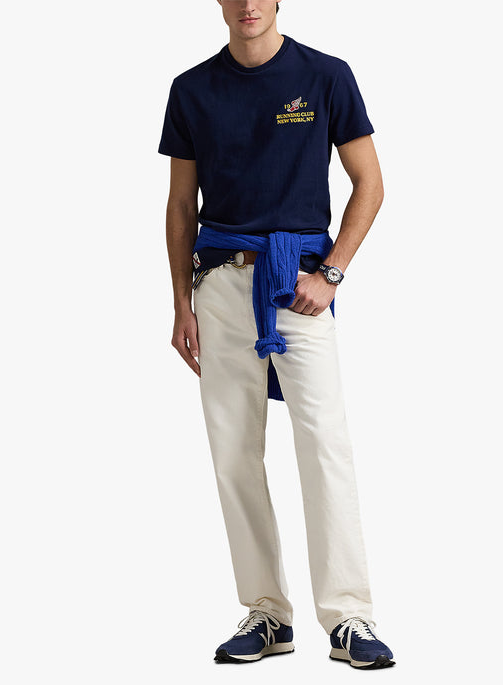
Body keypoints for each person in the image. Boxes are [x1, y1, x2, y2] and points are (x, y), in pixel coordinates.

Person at [158, 0, 395, 670]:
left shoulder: (325, 76)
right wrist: (181, 302)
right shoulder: (192, 88)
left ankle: (348, 616)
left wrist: (332, 273)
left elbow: (370, 183)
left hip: (299, 285)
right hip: (219, 284)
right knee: (234, 451)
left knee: (324, 445)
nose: (247, 5)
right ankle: (267, 613)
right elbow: (180, 205)